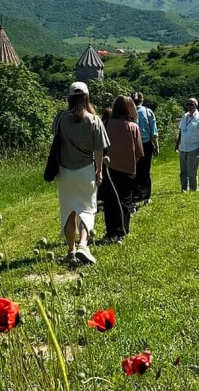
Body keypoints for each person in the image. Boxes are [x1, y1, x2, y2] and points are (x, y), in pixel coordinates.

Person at [54, 82, 110, 264]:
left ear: (69, 98)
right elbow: (99, 149)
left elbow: (56, 141)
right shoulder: (94, 120)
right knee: (87, 209)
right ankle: (83, 245)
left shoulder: (60, 118)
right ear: (87, 97)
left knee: (68, 211)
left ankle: (70, 251)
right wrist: (99, 171)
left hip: (64, 171)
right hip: (86, 170)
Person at [103, 96, 144, 244]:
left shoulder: (106, 123)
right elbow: (139, 151)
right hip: (128, 169)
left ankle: (110, 231)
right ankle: (122, 231)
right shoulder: (133, 127)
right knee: (125, 200)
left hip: (109, 167)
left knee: (110, 200)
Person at [175, 97, 199, 192]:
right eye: (187, 104)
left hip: (194, 147)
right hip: (183, 147)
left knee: (192, 171)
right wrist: (178, 143)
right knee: (183, 171)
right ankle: (184, 189)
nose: (189, 106)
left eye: (191, 104)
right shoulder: (184, 116)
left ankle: (194, 189)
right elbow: (181, 131)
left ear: (196, 106)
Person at [131, 92, 159, 206]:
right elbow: (154, 131)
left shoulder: (128, 112)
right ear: (142, 100)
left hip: (132, 145)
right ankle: (146, 196)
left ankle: (135, 196)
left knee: (134, 171)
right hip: (146, 144)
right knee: (145, 171)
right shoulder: (148, 112)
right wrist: (156, 145)